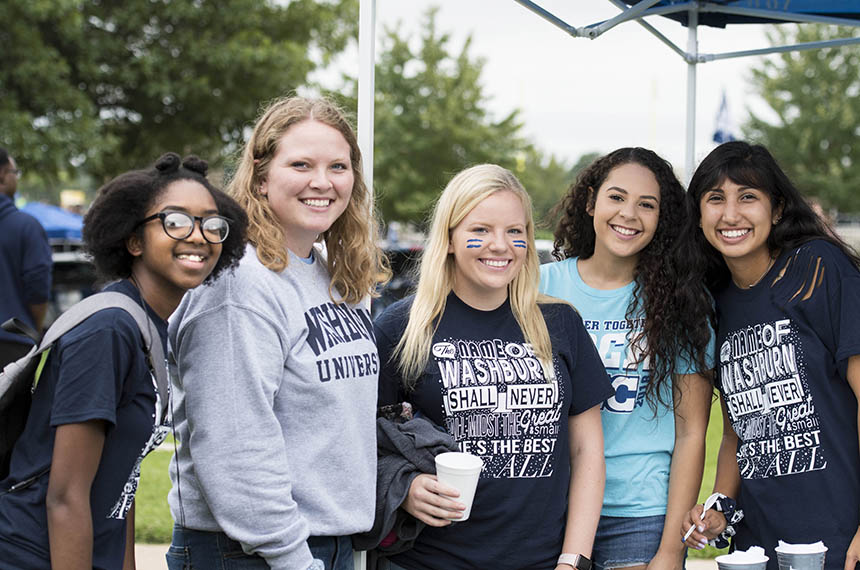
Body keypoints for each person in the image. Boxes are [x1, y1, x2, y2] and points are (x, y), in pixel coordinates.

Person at [166, 96, 390, 570]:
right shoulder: (238, 283)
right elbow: (234, 444)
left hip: (325, 543)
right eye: (301, 164)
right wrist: (292, 557)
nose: (322, 182)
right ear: (262, 176)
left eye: (338, 166)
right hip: (250, 552)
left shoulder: (332, 274)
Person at [0, 152, 246, 569]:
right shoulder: (108, 331)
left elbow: (123, 484)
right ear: (133, 240)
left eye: (211, 223)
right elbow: (65, 496)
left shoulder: (149, 325)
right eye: (176, 221)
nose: (199, 235)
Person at [374, 164, 614, 570]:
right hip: (429, 561)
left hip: (541, 561)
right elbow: (364, 442)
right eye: (480, 230)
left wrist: (573, 560)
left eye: (514, 232)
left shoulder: (560, 323)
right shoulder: (402, 326)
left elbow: (587, 450)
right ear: (449, 239)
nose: (500, 245)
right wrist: (406, 488)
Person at [680, 141, 860, 570]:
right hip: (757, 547)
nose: (730, 214)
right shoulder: (714, 303)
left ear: (776, 209)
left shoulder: (816, 269)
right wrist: (720, 507)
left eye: (748, 197)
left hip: (837, 536)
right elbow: (736, 433)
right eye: (715, 199)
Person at [539, 147, 715, 570]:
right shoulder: (539, 286)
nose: (629, 214)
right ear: (590, 202)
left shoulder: (682, 303)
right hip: (553, 507)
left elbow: (692, 435)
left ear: (663, 218)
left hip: (639, 513)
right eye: (616, 197)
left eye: (646, 205)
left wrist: (672, 550)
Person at [0, 147, 53, 368]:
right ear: (2, 174)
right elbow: (38, 289)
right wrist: (33, 329)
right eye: (15, 172)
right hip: (12, 345)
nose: (16, 178)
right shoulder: (26, 227)